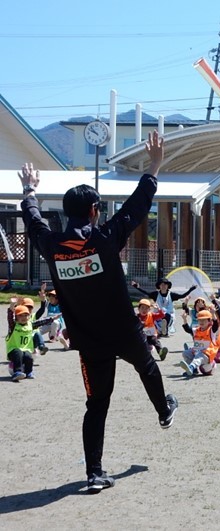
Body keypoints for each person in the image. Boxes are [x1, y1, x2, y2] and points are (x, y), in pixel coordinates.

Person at [19, 131, 178, 494]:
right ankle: (163, 410)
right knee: (147, 365)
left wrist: (29, 191)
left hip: (88, 340)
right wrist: (154, 164)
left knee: (97, 405)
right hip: (123, 329)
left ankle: (94, 473)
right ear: (94, 210)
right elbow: (137, 207)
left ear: (66, 211)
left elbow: (33, 220)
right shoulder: (104, 238)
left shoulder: (53, 245)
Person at [5, 303, 57, 380]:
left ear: (29, 316)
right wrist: (11, 307)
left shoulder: (30, 325)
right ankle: (17, 372)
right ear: (16, 317)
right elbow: (10, 318)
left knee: (28, 356)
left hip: (25, 350)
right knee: (18, 352)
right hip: (13, 351)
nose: (24, 317)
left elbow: (41, 322)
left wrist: (53, 318)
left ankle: (29, 372)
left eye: (26, 315)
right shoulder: (13, 326)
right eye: (20, 315)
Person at [131, 277, 196, 337]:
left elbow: (182, 295)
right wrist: (137, 287)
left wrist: (191, 289)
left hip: (169, 315)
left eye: (165, 284)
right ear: (159, 286)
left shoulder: (171, 295)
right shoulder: (155, 294)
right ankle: (157, 331)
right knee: (152, 318)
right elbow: (146, 293)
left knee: (166, 316)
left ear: (168, 286)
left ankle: (165, 329)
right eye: (162, 284)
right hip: (158, 314)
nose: (163, 286)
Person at [180, 300, 220, 376]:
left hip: (208, 354)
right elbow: (188, 329)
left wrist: (213, 314)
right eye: (200, 320)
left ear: (209, 321)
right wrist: (184, 319)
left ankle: (191, 367)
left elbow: (216, 324)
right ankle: (194, 370)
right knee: (185, 353)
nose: (201, 322)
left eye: (204, 320)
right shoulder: (197, 330)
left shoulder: (211, 330)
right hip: (197, 351)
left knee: (200, 356)